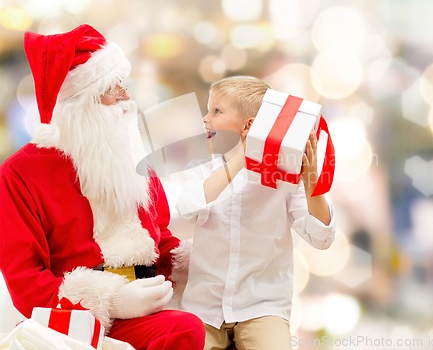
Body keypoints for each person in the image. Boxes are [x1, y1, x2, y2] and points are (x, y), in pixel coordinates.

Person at [0, 24, 205, 350]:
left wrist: (203, 260)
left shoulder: (131, 159)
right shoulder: (20, 173)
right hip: (75, 324)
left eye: (124, 85)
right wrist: (112, 300)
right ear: (79, 103)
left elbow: (160, 240)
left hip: (151, 304)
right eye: (112, 88)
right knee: (184, 330)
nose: (127, 98)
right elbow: (26, 282)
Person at [175, 76, 336, 350]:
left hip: (262, 306)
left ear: (249, 125)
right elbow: (187, 209)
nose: (205, 119)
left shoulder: (285, 176)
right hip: (204, 307)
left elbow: (322, 238)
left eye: (216, 111)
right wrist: (240, 159)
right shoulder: (203, 166)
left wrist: (312, 185)